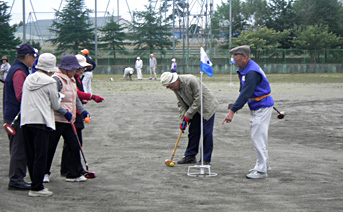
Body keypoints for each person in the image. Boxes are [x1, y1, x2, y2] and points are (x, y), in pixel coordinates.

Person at [222, 45, 274, 179]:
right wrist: (236, 103)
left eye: (236, 58)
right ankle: (264, 164)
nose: (234, 61)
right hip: (257, 105)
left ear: (244, 57)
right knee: (260, 136)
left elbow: (246, 93)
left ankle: (262, 170)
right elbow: (243, 91)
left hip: (262, 106)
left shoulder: (252, 72)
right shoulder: (244, 68)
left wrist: (232, 111)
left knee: (258, 137)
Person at [44, 55, 90, 183]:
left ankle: (73, 173)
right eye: (74, 69)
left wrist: (83, 111)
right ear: (65, 69)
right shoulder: (56, 80)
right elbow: (53, 101)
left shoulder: (72, 80)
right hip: (56, 119)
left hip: (70, 120)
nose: (76, 71)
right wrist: (64, 112)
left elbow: (75, 99)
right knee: (50, 147)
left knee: (74, 146)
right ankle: (44, 172)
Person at [20, 53, 60, 197]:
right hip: (41, 121)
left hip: (26, 120)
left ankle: (34, 183)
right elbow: (55, 105)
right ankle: (37, 187)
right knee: (40, 155)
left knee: (31, 155)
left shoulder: (29, 78)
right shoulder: (50, 82)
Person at [59, 54, 104, 177]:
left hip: (76, 112)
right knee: (73, 143)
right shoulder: (68, 79)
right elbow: (77, 94)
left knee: (74, 143)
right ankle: (71, 169)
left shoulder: (76, 78)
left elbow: (77, 96)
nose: (84, 70)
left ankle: (73, 167)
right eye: (81, 68)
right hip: (69, 114)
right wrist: (91, 96)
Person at [160, 72, 218, 165]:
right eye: (168, 87)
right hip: (194, 108)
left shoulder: (191, 80)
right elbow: (181, 104)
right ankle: (190, 156)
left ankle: (205, 159)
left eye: (170, 86)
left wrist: (188, 115)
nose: (171, 89)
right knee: (193, 131)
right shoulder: (175, 87)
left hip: (207, 107)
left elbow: (198, 100)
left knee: (206, 132)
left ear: (176, 81)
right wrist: (183, 119)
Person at [3, 43, 38, 191]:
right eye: (34, 57)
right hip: (16, 117)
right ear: (28, 56)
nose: (34, 60)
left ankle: (17, 177)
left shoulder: (18, 68)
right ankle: (16, 179)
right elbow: (21, 95)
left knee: (18, 148)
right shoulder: (19, 71)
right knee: (19, 149)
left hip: (12, 115)